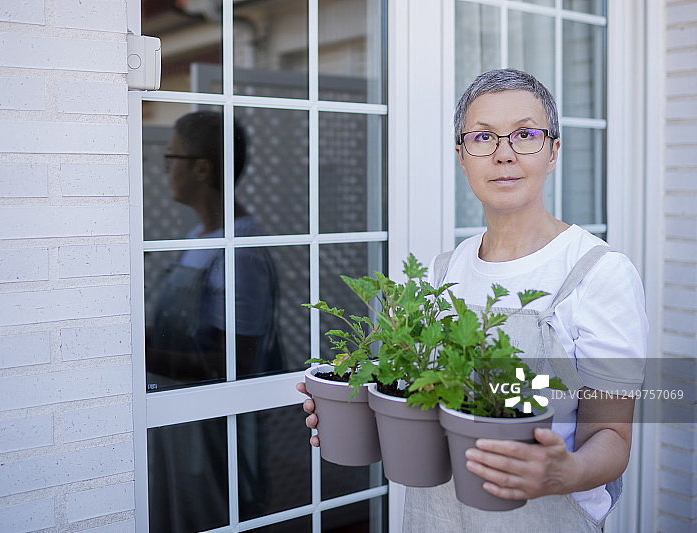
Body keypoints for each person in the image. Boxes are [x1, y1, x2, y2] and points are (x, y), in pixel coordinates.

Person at [297, 68, 648, 532]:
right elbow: (418, 408)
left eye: (526, 134)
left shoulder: (596, 273)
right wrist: (358, 411)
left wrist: (566, 471)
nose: (504, 154)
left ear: (553, 152)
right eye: (483, 137)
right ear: (462, 157)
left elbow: (612, 434)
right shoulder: (445, 271)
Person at [146, 110, 282, 532]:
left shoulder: (240, 252)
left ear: (202, 169)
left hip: (213, 436)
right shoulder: (200, 237)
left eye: (173, 157)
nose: (167, 169)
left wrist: (139, 359)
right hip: (182, 424)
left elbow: (232, 364)